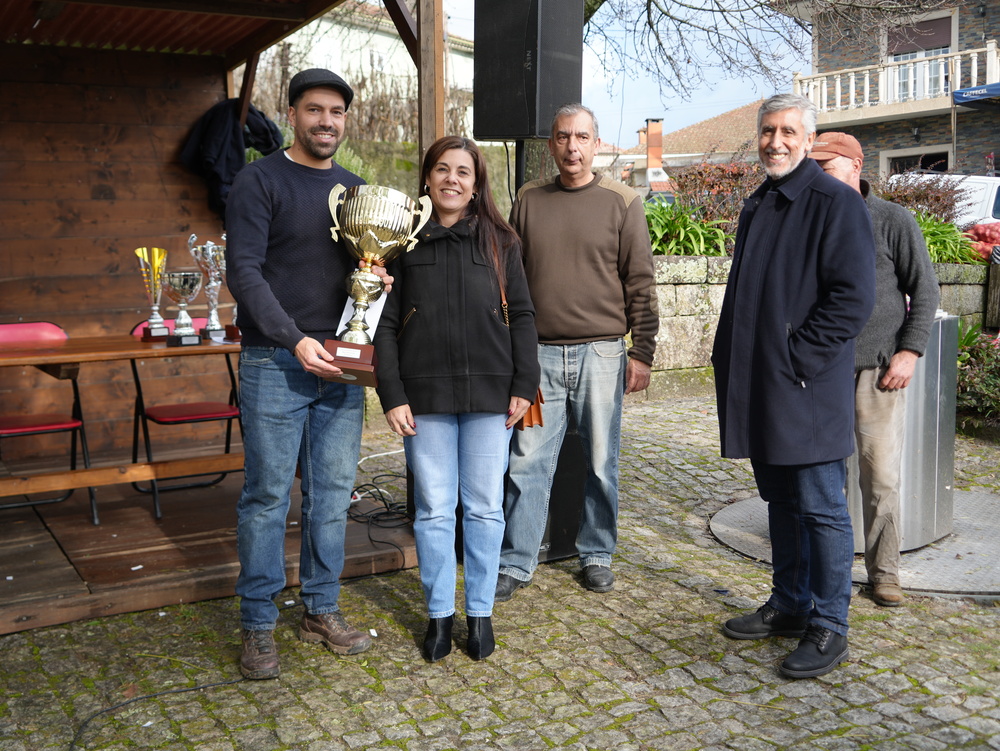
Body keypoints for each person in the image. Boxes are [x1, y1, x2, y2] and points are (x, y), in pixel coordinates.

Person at [226, 68, 387, 680]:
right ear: (291, 113)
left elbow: (359, 280)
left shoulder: (357, 192)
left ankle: (321, 608)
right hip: (276, 362)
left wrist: (377, 288)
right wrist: (294, 340)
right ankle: (258, 624)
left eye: (337, 112)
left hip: (342, 370)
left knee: (331, 497)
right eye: (315, 110)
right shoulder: (258, 180)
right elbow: (244, 272)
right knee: (267, 497)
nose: (327, 122)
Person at [712, 94, 875, 679]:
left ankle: (830, 624)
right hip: (763, 386)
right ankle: (789, 603)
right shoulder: (761, 203)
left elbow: (853, 298)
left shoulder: (834, 201)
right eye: (767, 131)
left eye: (787, 132)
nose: (775, 141)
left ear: (808, 139)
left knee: (822, 508)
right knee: (780, 502)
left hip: (804, 388)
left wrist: (797, 356)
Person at [373, 136, 539, 662]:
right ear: (427, 178)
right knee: (433, 511)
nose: (452, 179)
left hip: (492, 394)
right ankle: (440, 615)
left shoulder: (501, 242)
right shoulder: (401, 243)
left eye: (463, 172)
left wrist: (523, 383)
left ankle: (481, 614)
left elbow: (526, 317)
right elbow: (384, 324)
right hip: (424, 396)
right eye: (442, 169)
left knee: (487, 510)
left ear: (476, 183)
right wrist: (392, 394)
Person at [496, 103, 659, 600]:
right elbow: (509, 277)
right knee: (526, 461)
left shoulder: (623, 201)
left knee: (599, 461)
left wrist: (643, 351)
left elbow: (640, 280)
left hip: (603, 355)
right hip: (539, 356)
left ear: (596, 143)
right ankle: (516, 561)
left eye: (582, 137)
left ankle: (596, 554)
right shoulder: (528, 198)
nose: (572, 146)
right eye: (563, 137)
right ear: (551, 145)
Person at [807, 132, 939, 608]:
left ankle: (885, 573)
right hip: (820, 371)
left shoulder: (890, 219)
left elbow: (925, 291)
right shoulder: (808, 219)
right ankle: (829, 576)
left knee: (880, 478)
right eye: (814, 165)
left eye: (828, 165)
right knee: (825, 480)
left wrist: (910, 352)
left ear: (856, 165)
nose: (818, 173)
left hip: (877, 373)